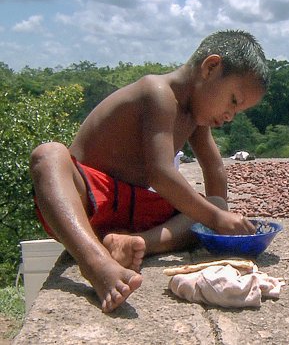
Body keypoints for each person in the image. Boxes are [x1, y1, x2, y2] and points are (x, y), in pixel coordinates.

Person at [29, 29, 270, 313]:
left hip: (133, 213)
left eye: (238, 111)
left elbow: (214, 167)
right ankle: (95, 262)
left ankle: (133, 244)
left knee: (214, 205)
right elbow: (160, 174)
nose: (231, 115)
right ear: (211, 67)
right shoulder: (159, 93)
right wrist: (216, 219)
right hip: (87, 201)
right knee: (48, 155)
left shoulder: (196, 117)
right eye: (233, 100)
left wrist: (217, 231)